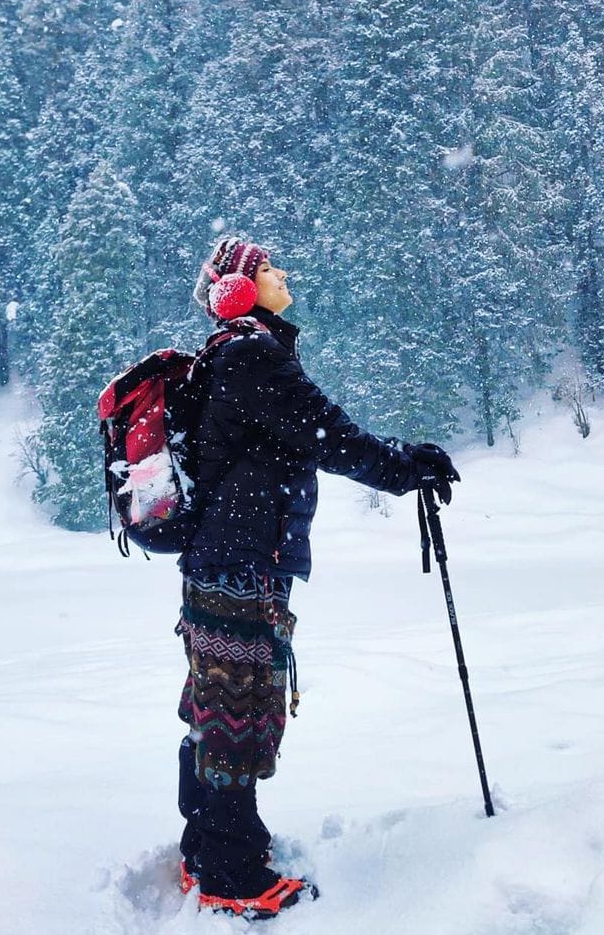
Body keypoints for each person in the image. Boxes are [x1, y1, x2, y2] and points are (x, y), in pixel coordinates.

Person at [176, 235, 459, 919]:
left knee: (220, 703)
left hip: (229, 562)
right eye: (268, 269)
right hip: (242, 566)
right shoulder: (249, 353)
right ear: (237, 290)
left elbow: (317, 432)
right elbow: (328, 434)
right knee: (239, 711)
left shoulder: (237, 353)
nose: (283, 274)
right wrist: (406, 465)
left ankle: (209, 846)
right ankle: (230, 874)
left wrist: (399, 460)